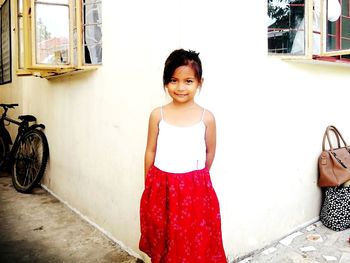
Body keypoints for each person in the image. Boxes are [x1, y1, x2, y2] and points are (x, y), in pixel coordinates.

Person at [139, 49, 226, 262]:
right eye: (173, 80)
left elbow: (209, 152)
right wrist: (149, 186)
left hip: (195, 191)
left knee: (194, 240)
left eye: (188, 81)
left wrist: (197, 181)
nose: (180, 87)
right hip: (161, 187)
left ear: (199, 82)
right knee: (165, 238)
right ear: (165, 82)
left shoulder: (207, 118)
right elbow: (150, 150)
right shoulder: (157, 115)